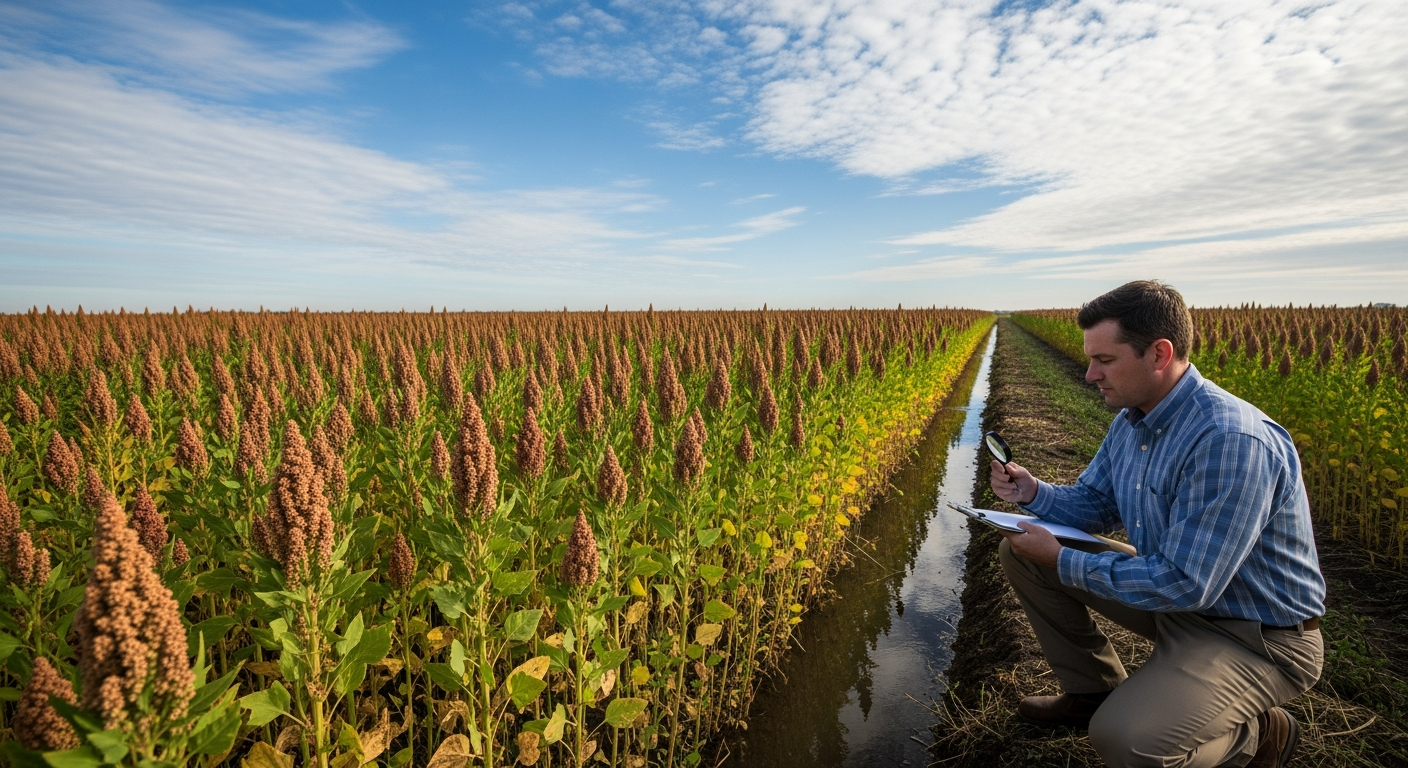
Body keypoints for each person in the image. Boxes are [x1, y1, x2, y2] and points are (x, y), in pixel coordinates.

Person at [991, 281, 1325, 768]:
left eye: (1104, 360)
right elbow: (1094, 502)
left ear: (1159, 354)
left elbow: (1186, 583)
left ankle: (1257, 735)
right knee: (1020, 551)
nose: (1089, 375)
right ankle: (1092, 691)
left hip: (1255, 635)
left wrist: (1062, 559)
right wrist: (1032, 492)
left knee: (1127, 742)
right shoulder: (1133, 418)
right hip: (1183, 599)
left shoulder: (1229, 440)